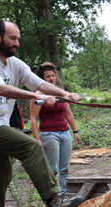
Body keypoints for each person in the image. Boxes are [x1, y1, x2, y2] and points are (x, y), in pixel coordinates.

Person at [0, 20, 84, 207]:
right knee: (32, 147)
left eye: (18, 39)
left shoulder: (15, 64)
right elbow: (1, 89)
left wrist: (65, 94)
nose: (17, 43)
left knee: (2, 173)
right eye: (12, 38)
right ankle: (54, 198)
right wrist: (37, 96)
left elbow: (39, 83)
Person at [30, 62, 79, 195]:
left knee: (65, 168)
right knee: (53, 168)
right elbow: (33, 119)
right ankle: (52, 196)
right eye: (48, 77)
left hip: (65, 132)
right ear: (42, 79)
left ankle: (64, 194)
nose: (52, 79)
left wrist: (75, 131)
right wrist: (37, 140)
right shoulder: (39, 95)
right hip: (49, 134)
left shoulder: (60, 94)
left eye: (53, 76)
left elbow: (68, 113)